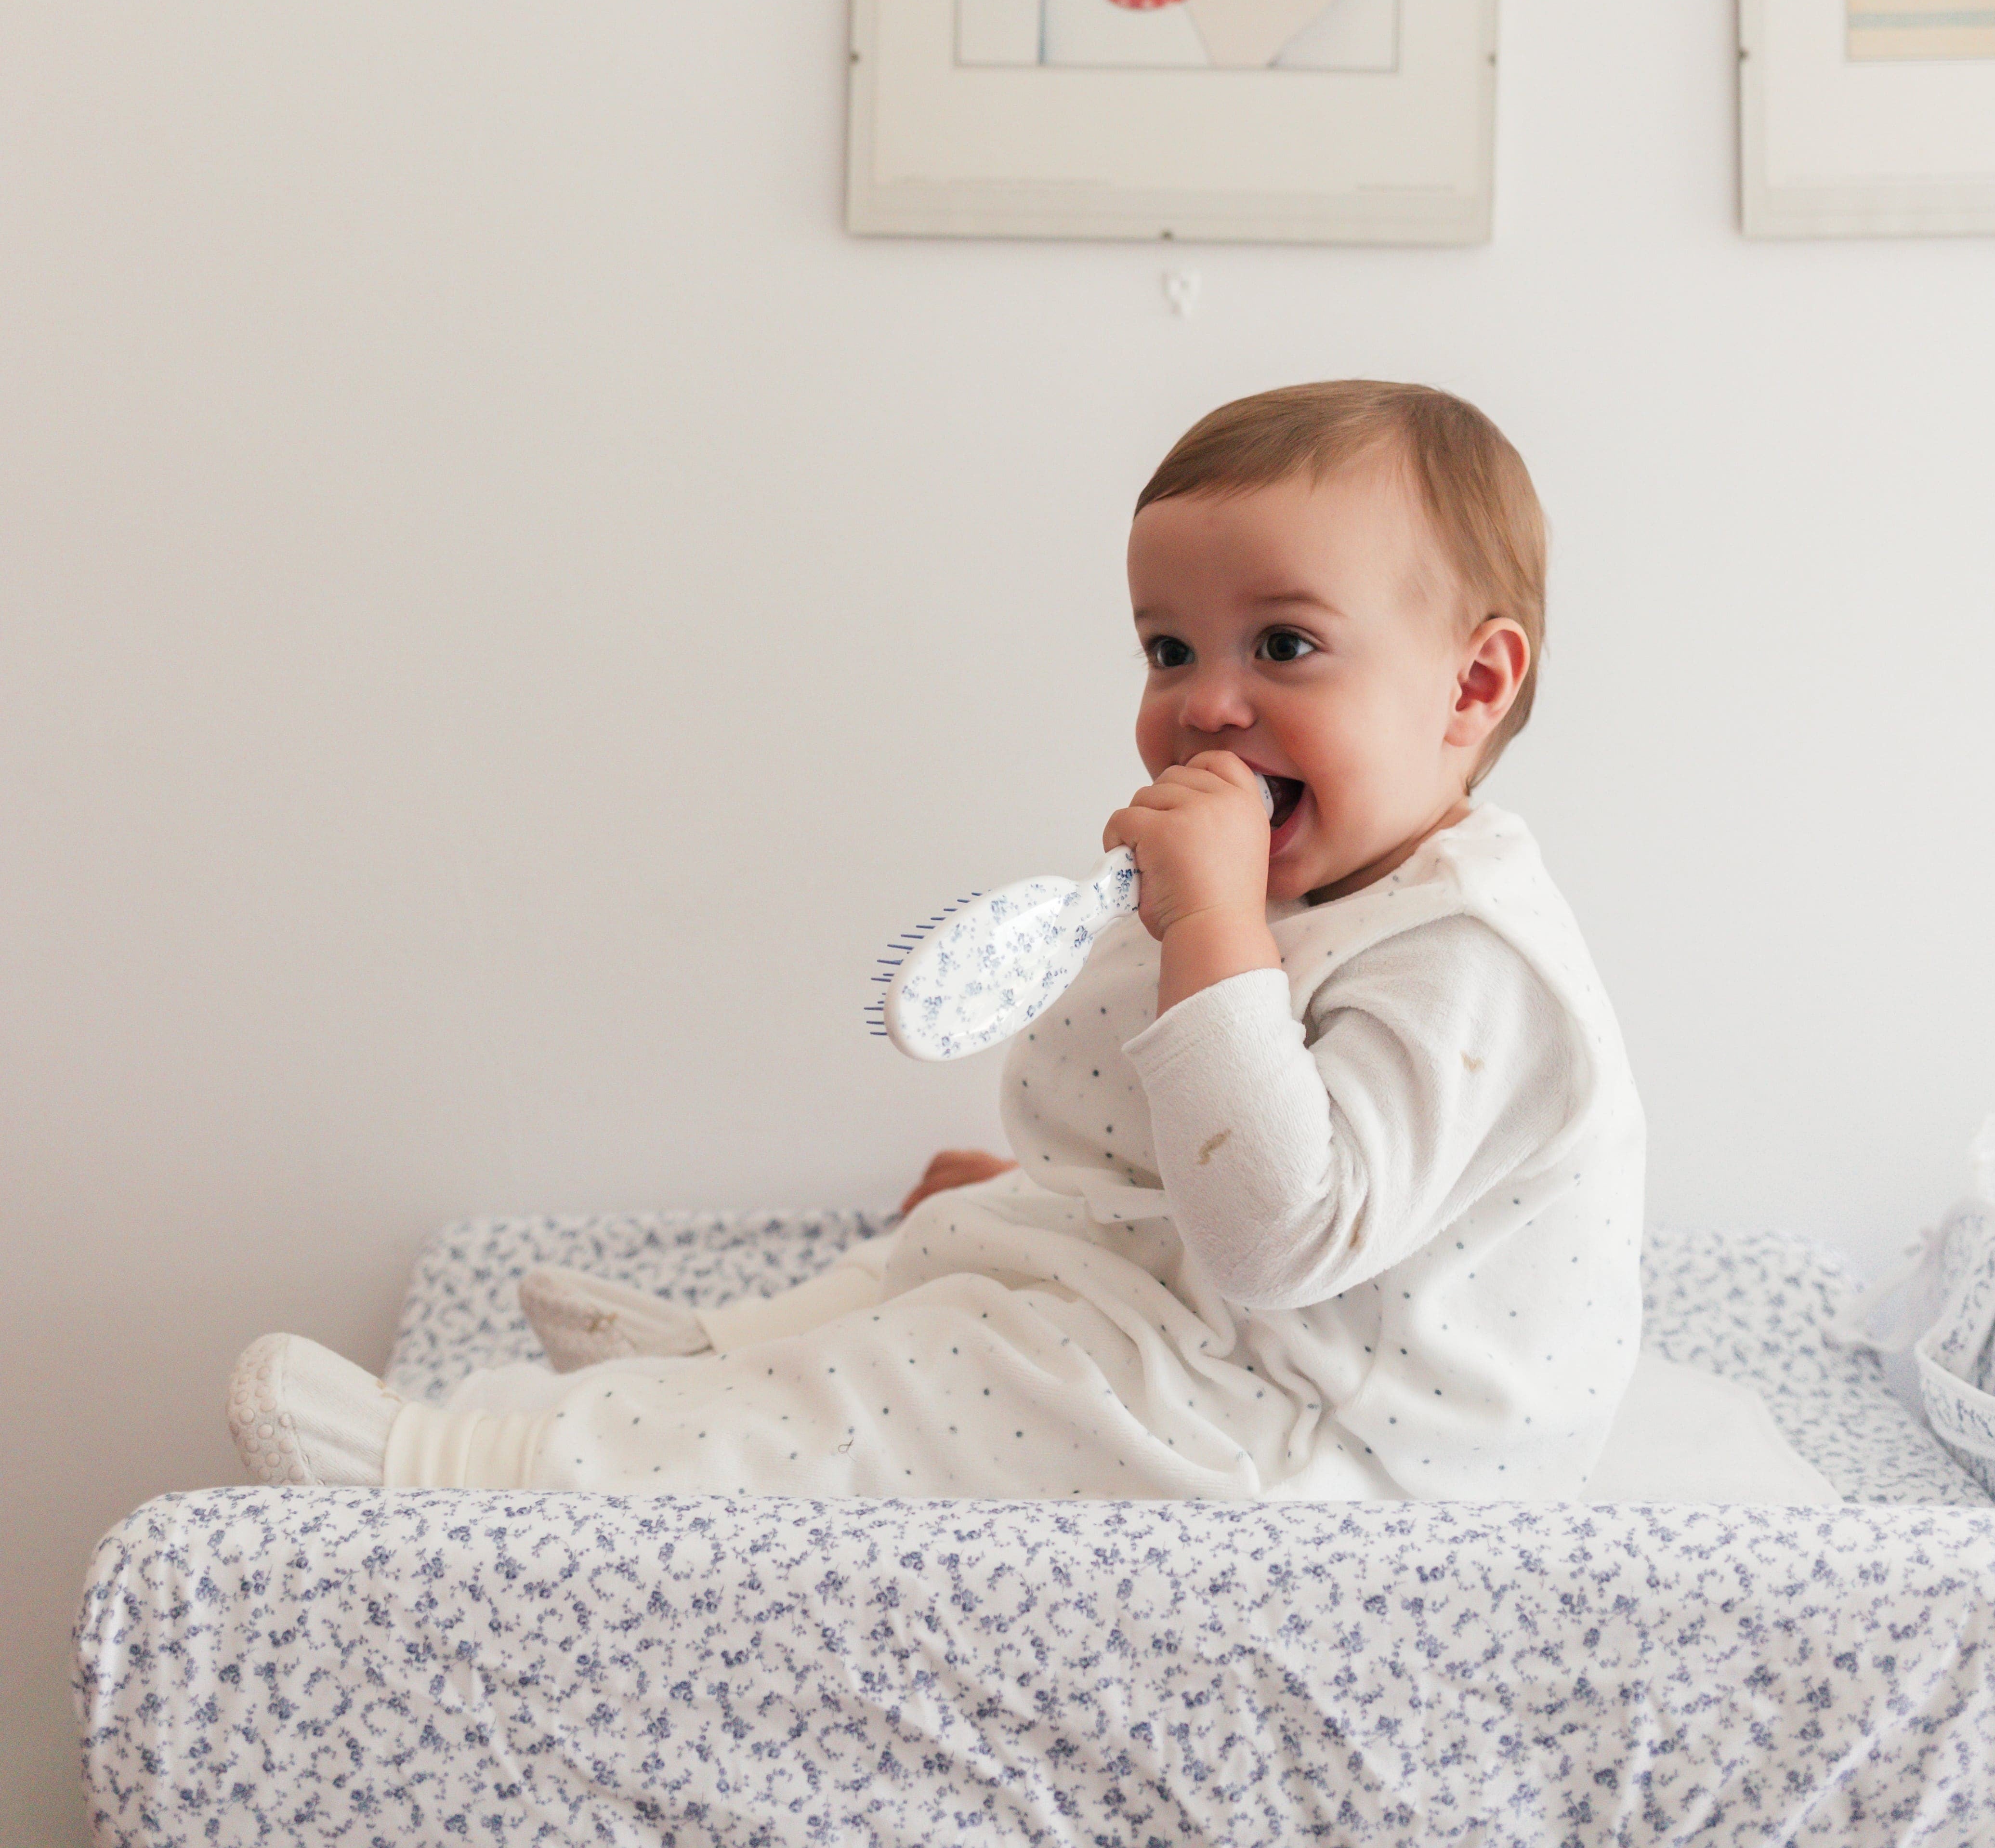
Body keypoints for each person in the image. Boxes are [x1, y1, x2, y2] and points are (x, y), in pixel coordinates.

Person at [227, 382, 1645, 1503]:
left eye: (1282, 646)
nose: (1206, 706)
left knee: (968, 1376)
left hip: (1353, 1460)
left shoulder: (1475, 960)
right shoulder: (1312, 881)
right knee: (985, 1228)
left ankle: (468, 1469)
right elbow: (1203, 1143)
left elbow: (1282, 1232)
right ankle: (723, 1370)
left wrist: (1210, 921)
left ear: (1471, 684)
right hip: (1252, 1336)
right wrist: (1076, 1191)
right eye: (1168, 650)